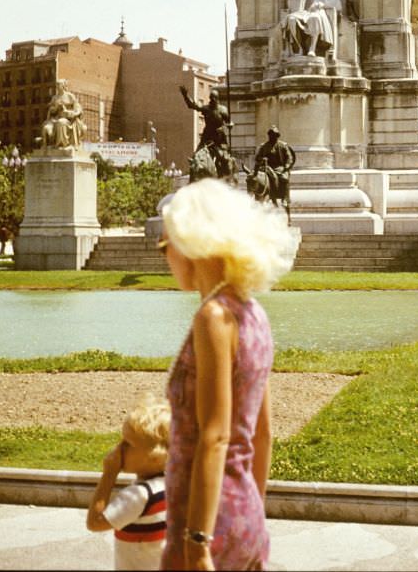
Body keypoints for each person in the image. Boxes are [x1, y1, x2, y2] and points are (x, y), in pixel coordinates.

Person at [156, 178, 298, 571]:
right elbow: (262, 433)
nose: (165, 257)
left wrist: (198, 541)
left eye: (166, 245)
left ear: (192, 244)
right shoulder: (253, 313)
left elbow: (215, 436)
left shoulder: (213, 317)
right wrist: (251, 512)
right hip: (245, 511)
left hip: (206, 520)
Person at [86, 393, 170, 571]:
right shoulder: (171, 485)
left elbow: (95, 523)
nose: (119, 448)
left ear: (155, 457)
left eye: (128, 443)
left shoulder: (139, 495)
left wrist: (109, 474)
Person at [179, 87, 233, 177]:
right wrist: (186, 96)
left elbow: (229, 122)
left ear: (217, 99)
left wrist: (228, 126)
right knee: (196, 156)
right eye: (211, 98)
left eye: (214, 98)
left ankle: (226, 176)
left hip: (219, 138)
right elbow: (193, 105)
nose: (212, 100)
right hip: (207, 136)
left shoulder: (223, 110)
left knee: (223, 158)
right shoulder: (206, 108)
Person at [253, 126, 296, 211]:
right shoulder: (264, 146)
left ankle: (285, 198)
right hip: (266, 167)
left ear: (277, 136)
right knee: (257, 178)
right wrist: (262, 159)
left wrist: (286, 166)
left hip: (279, 168)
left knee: (284, 178)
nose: (272, 136)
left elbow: (289, 157)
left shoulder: (283, 146)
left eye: (274, 135)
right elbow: (257, 157)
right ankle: (257, 195)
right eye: (270, 135)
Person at [41, 79, 87, 149]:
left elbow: (77, 109)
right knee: (46, 127)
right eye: (56, 85)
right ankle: (47, 145)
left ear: (63, 86)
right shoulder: (55, 98)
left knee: (61, 122)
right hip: (56, 118)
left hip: (69, 120)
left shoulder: (70, 96)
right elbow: (51, 110)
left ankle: (62, 144)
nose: (57, 86)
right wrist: (56, 108)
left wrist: (68, 112)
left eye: (59, 84)